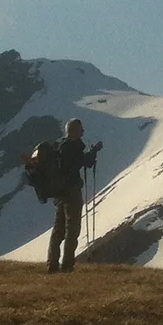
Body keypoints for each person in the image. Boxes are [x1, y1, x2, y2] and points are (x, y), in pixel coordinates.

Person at [47, 117, 102, 273]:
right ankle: (67, 265)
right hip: (71, 192)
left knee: (58, 229)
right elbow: (84, 162)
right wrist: (94, 151)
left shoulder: (60, 148)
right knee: (72, 229)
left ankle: (52, 263)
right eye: (80, 129)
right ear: (74, 131)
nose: (83, 131)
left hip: (59, 193)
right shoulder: (72, 147)